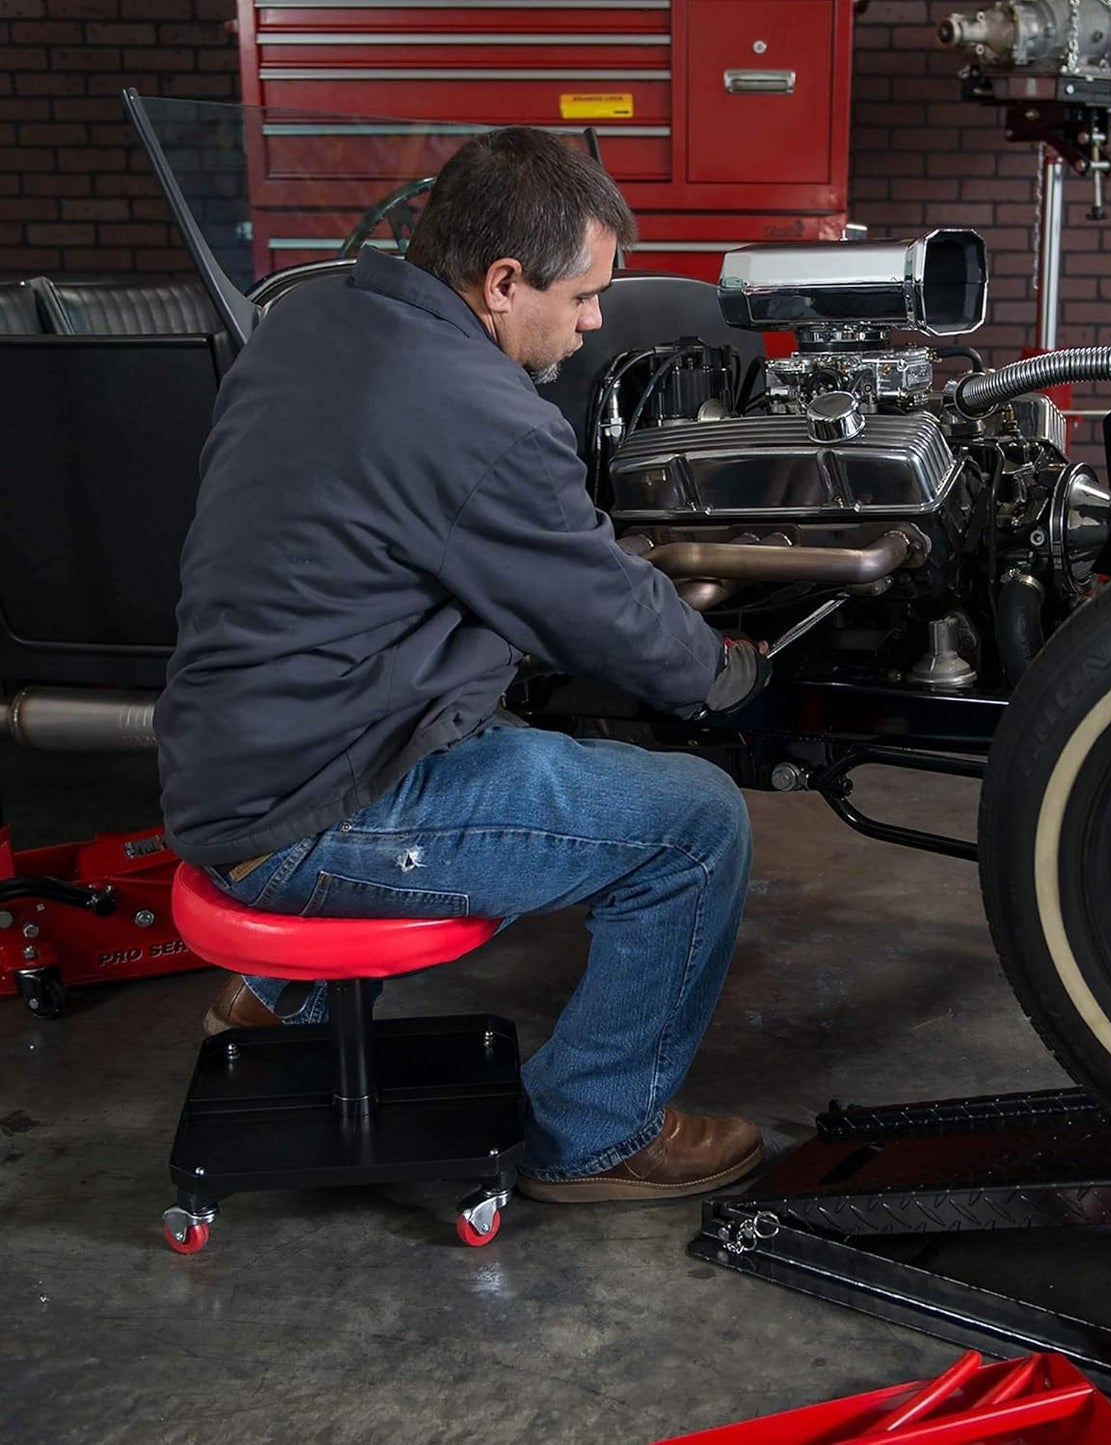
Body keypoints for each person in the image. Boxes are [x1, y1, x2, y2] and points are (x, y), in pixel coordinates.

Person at [156, 128, 772, 1203]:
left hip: (230, 756)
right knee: (695, 819)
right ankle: (596, 1130)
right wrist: (724, 671)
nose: (591, 324)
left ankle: (271, 990)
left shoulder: (310, 322)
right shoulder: (479, 413)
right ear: (499, 283)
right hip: (313, 807)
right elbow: (611, 620)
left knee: (507, 737)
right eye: (581, 298)